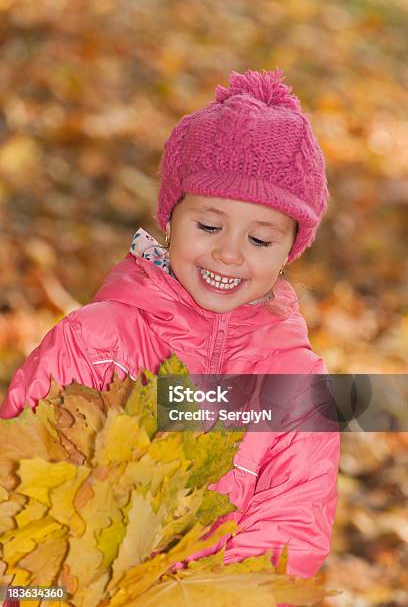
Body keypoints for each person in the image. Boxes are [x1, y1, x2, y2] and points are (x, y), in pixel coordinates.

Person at [0, 69, 340, 586]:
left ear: (289, 250)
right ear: (170, 217)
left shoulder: (298, 384)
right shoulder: (94, 340)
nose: (228, 253)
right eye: (208, 226)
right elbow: (19, 478)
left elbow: (292, 526)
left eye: (260, 240)